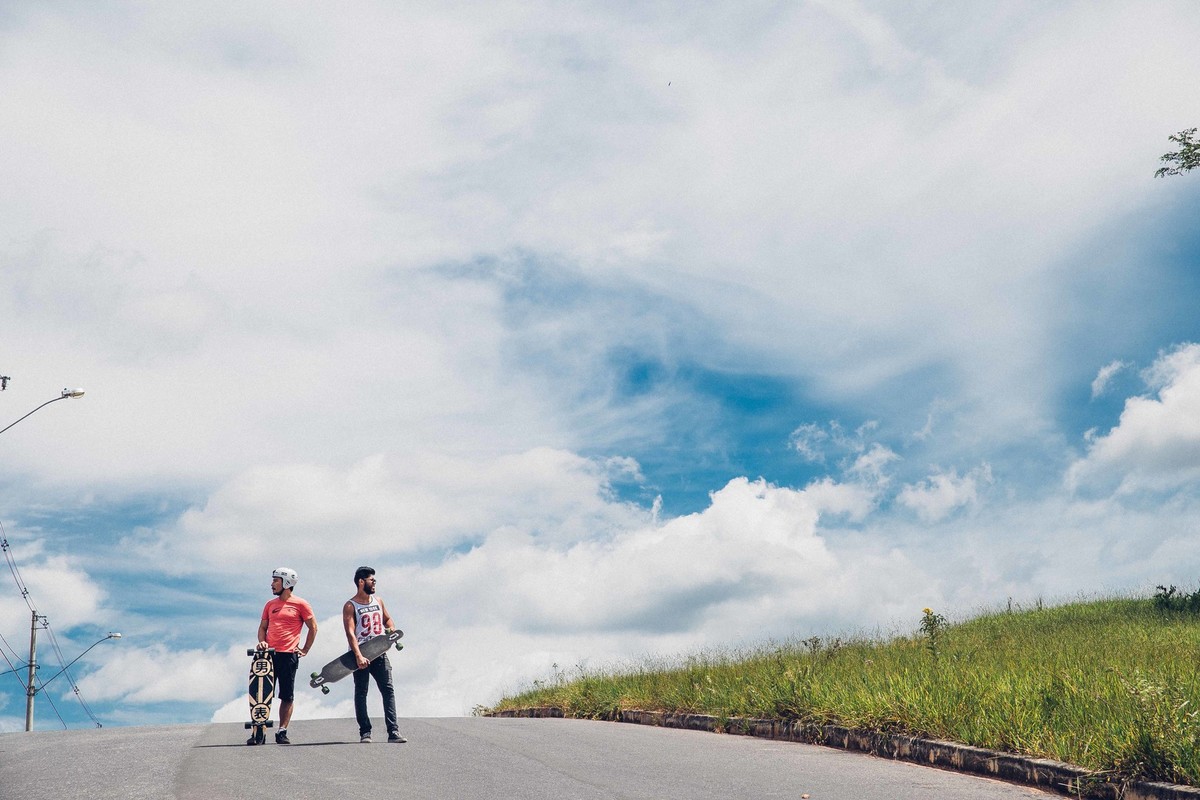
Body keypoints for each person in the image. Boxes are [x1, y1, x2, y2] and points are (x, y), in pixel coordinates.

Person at [254, 566, 317, 745]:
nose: (272, 584)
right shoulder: (270, 605)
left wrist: (305, 649)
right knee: (262, 694)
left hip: (288, 655)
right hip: (268, 655)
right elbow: (262, 628)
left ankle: (282, 731)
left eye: (276, 580)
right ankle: (259, 730)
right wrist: (262, 641)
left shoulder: (301, 604)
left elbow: (313, 627)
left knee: (287, 695)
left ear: (286, 582)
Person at [343, 565, 405, 743]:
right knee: (361, 692)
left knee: (388, 690)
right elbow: (350, 632)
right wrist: (358, 656)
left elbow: (387, 619)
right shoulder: (350, 605)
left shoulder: (378, 600)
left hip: (380, 652)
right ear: (361, 582)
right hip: (360, 654)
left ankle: (393, 731)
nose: (374, 583)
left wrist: (391, 629)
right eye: (372, 580)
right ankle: (365, 732)